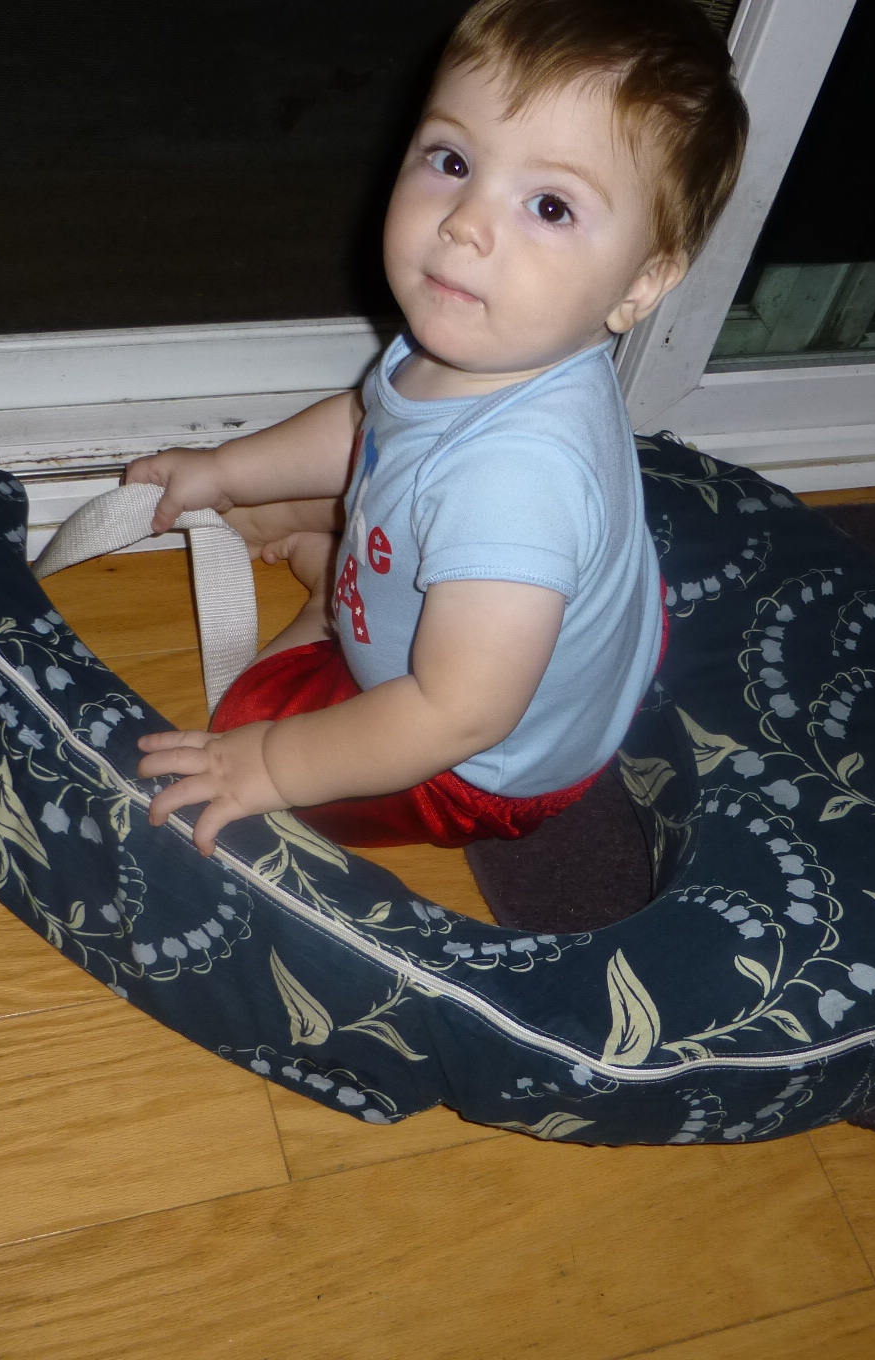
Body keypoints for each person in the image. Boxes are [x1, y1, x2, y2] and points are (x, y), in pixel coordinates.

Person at [124, 0, 747, 856]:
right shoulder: (495, 343)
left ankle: (332, 589)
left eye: (550, 207)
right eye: (452, 162)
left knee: (243, 724)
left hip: (475, 762)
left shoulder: (516, 484)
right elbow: (370, 422)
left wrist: (266, 761)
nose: (465, 223)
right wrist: (227, 468)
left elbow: (455, 715)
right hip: (529, 633)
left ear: (639, 285)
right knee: (317, 493)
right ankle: (343, 568)